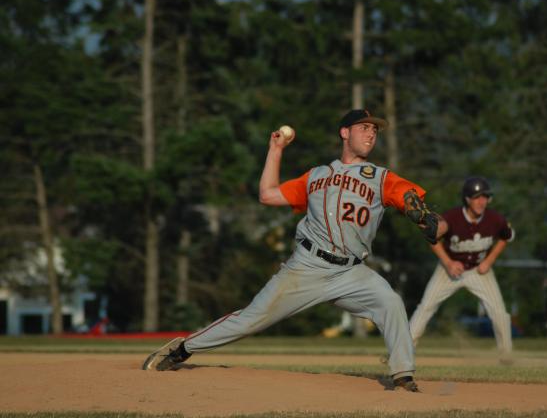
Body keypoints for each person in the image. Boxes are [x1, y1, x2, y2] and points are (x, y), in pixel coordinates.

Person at [142, 109, 447, 392]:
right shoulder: (315, 176)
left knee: (390, 302)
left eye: (374, 130)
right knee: (250, 319)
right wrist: (275, 151)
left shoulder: (381, 177)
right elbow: (267, 195)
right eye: (364, 127)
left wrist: (427, 219)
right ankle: (181, 348)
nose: (371, 134)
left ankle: (403, 376)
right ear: (344, 132)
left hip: (351, 272)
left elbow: (413, 201)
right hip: (306, 267)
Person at [408, 176, 515, 363]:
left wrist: (489, 261)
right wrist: (448, 262)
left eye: (485, 197)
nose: (481, 201)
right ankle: (404, 350)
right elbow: (434, 237)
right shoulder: (453, 217)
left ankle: (506, 356)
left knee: (499, 313)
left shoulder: (495, 219)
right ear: (467, 199)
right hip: (449, 270)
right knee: (425, 307)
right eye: (476, 197)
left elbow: (506, 237)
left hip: (479, 271)